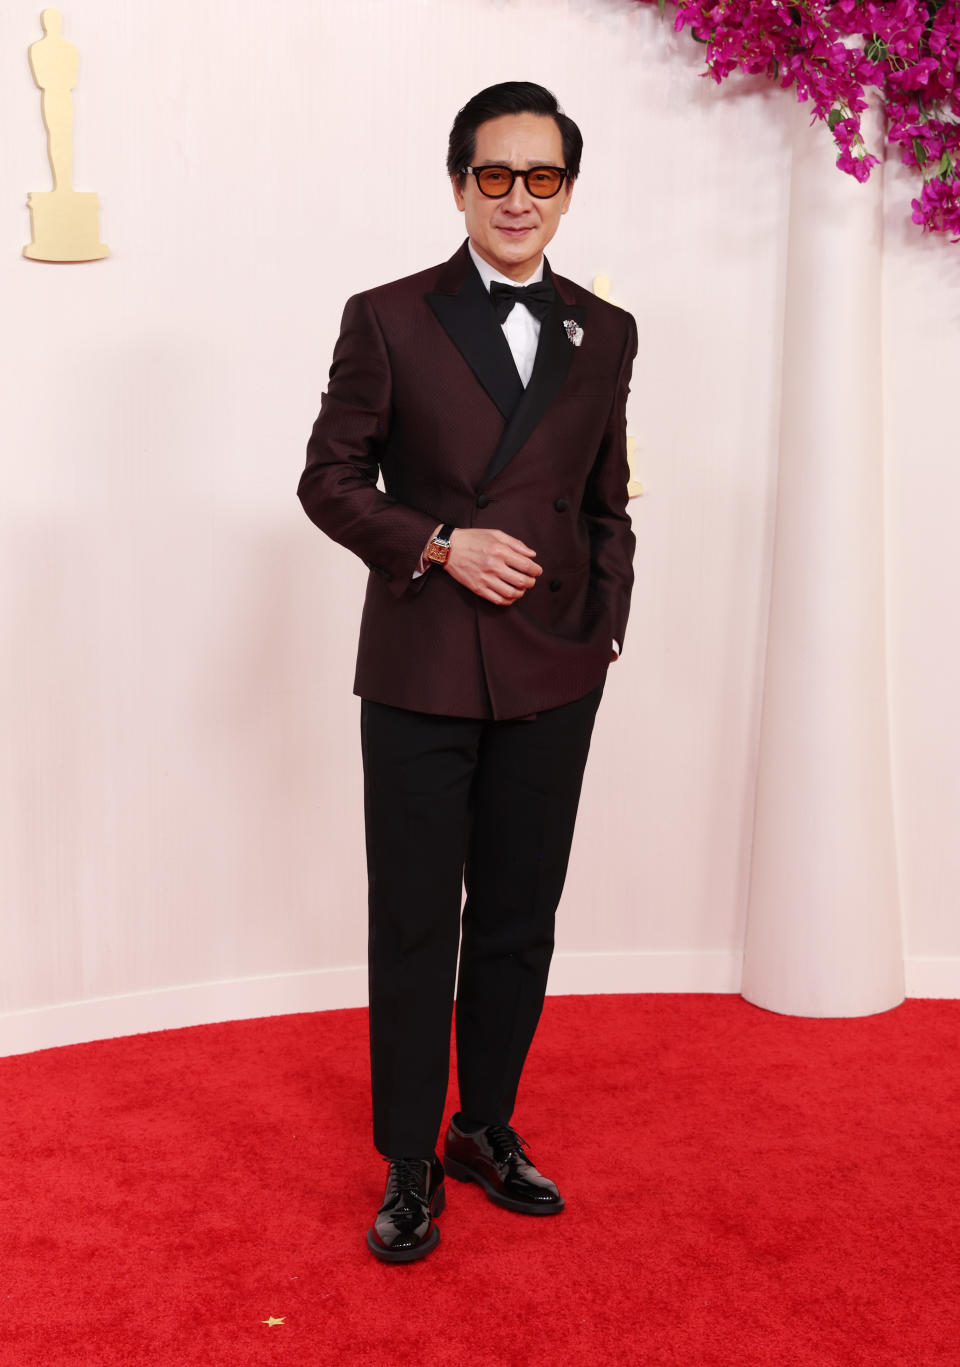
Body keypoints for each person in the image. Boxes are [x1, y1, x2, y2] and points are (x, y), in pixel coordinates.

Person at [297, 80, 637, 1263]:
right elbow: (328, 480)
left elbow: (605, 503)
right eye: (495, 175)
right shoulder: (388, 316)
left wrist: (603, 628)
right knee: (413, 924)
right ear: (459, 186)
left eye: (542, 178)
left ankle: (483, 1126)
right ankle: (406, 1158)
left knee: (518, 917)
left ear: (567, 192)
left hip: (555, 667)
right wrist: (439, 542)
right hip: (423, 665)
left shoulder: (607, 329)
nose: (518, 199)